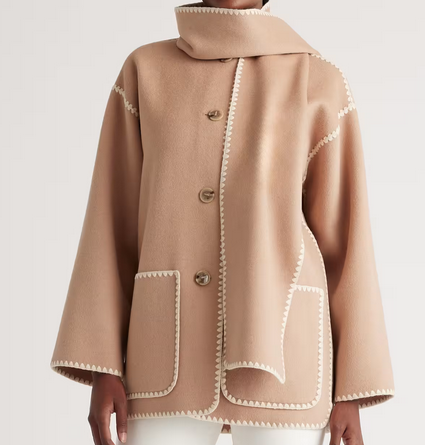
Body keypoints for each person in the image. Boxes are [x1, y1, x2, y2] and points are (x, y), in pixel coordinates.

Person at [50, 0, 396, 444]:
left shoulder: (319, 81)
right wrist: (103, 365)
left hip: (288, 360)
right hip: (162, 355)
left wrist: (350, 389)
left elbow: (347, 243)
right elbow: (109, 224)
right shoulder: (144, 72)